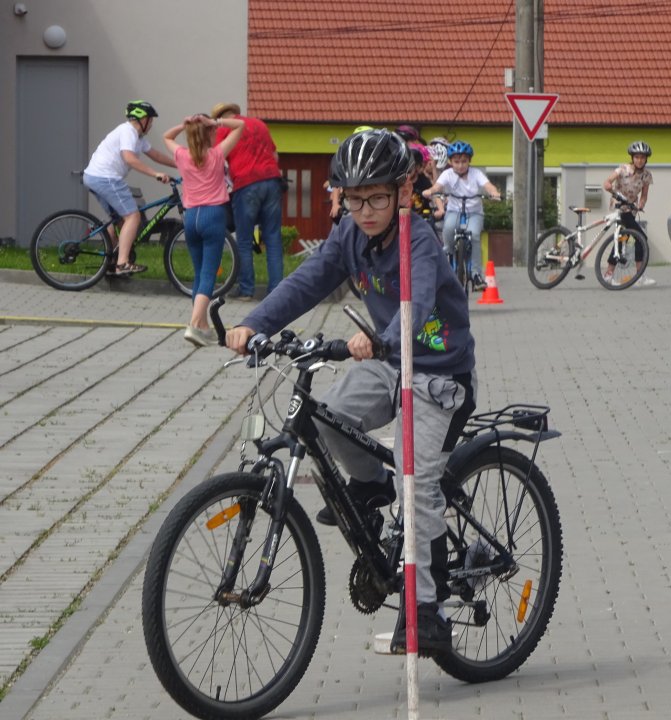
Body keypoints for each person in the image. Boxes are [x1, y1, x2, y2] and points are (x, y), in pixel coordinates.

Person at [225, 129, 477, 655]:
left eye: (376, 199)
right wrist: (256, 323)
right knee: (325, 417)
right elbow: (307, 281)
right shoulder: (349, 236)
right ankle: (368, 487)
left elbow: (417, 305)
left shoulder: (417, 241)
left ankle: (428, 611)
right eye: (354, 199)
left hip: (437, 375)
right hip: (386, 364)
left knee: (415, 482)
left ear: (402, 191)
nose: (365, 211)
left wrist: (383, 339)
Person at [163, 114, 245, 346]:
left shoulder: (182, 155)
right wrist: (216, 122)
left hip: (191, 218)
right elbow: (240, 125)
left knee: (200, 273)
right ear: (209, 133)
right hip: (213, 215)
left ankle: (203, 327)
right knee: (209, 274)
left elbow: (166, 136)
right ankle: (193, 324)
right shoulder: (217, 154)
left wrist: (185, 124)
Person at [82, 100, 177, 275]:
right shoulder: (128, 132)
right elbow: (129, 158)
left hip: (96, 176)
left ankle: (111, 262)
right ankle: (122, 263)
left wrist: (180, 164)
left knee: (119, 220)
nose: (152, 124)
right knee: (133, 217)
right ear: (142, 119)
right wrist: (155, 174)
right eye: (150, 119)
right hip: (106, 178)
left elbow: (155, 155)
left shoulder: (138, 137)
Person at [210, 102, 284, 301]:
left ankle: (246, 290)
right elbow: (275, 155)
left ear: (220, 118)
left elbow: (217, 158)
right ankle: (277, 292)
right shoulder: (259, 124)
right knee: (273, 239)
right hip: (272, 180)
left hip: (246, 184)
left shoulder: (224, 129)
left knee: (243, 240)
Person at [422, 140, 501, 290]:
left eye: (464, 161)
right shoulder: (447, 174)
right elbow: (438, 186)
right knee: (448, 228)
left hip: (474, 212)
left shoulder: (476, 174)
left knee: (474, 235)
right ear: (451, 162)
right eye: (456, 162)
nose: (460, 165)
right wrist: (430, 191)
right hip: (454, 210)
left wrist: (494, 193)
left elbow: (488, 185)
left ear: (469, 161)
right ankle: (448, 253)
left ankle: (476, 275)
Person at [602, 140, 656, 286]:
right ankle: (639, 276)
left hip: (631, 209)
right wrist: (608, 185)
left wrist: (641, 204)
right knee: (640, 237)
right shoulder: (622, 169)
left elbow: (644, 195)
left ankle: (609, 275)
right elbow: (608, 181)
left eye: (642, 157)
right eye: (637, 157)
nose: (640, 160)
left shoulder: (646, 175)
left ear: (646, 159)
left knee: (621, 239)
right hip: (619, 207)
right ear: (632, 157)